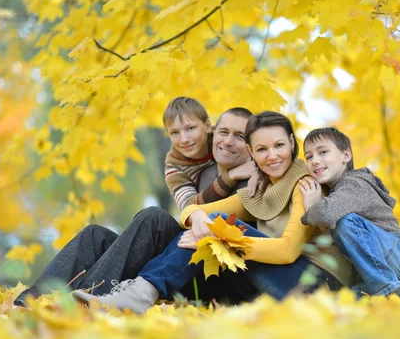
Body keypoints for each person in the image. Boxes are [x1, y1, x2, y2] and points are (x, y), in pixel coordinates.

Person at [74, 112, 354, 313]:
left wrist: (222, 239)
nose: (272, 156)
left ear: (292, 144)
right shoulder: (260, 191)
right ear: (251, 153)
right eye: (261, 149)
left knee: (219, 225)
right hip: (279, 281)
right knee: (210, 223)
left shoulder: (304, 184)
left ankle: (141, 293)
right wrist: (199, 222)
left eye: (279, 146)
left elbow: (288, 251)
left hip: (319, 285)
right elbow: (193, 209)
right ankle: (136, 292)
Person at [13, 101, 256, 306]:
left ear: (207, 126)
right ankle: (32, 301)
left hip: (207, 265)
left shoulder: (239, 153)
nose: (184, 139)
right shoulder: (176, 165)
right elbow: (188, 207)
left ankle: (91, 296)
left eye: (190, 128)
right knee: (93, 235)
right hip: (185, 242)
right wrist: (229, 177)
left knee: (154, 218)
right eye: (175, 133)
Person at [298, 126, 400, 303]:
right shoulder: (337, 192)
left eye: (323, 152)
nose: (315, 160)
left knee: (344, 223)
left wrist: (311, 205)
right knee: (343, 301)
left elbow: (325, 215)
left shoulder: (355, 183)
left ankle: (390, 294)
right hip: (392, 273)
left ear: (346, 155)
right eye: (309, 156)